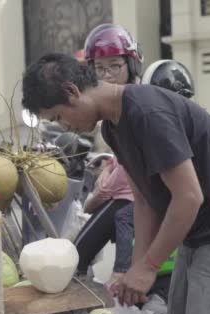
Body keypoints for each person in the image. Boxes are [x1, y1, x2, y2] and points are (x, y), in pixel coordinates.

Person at [21, 52, 210, 314]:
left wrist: (149, 266)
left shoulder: (147, 112)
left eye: (59, 117)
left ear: (72, 91)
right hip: (199, 231)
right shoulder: (113, 127)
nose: (65, 126)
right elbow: (143, 200)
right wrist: (137, 267)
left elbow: (189, 196)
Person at [73, 24, 142, 287]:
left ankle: (119, 275)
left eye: (115, 66)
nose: (108, 75)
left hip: (130, 200)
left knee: (78, 250)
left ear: (131, 66)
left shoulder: (135, 109)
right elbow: (120, 160)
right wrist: (107, 167)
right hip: (134, 197)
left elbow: (126, 178)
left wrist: (95, 199)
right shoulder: (111, 114)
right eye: (100, 69)